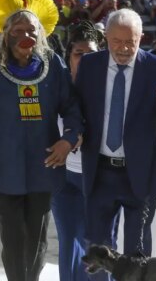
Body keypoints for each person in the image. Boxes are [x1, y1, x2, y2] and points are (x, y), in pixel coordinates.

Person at [0, 0, 84, 281]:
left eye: (30, 30)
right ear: (5, 35)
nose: (24, 37)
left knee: (37, 241)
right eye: (17, 31)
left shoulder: (54, 68)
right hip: (3, 173)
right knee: (13, 239)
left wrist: (68, 139)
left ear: (39, 35)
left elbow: (73, 109)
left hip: (44, 169)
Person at [75, 8, 156, 280]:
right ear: (106, 38)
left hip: (140, 172)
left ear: (141, 38)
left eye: (130, 42)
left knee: (137, 253)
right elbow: (75, 108)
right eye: (117, 42)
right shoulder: (89, 65)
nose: (124, 48)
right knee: (98, 249)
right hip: (100, 170)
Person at [51, 21, 103, 281]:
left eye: (91, 54)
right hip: (63, 178)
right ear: (69, 57)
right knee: (68, 242)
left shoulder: (109, 89)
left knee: (97, 246)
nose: (84, 59)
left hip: (99, 178)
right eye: (79, 53)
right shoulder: (56, 88)